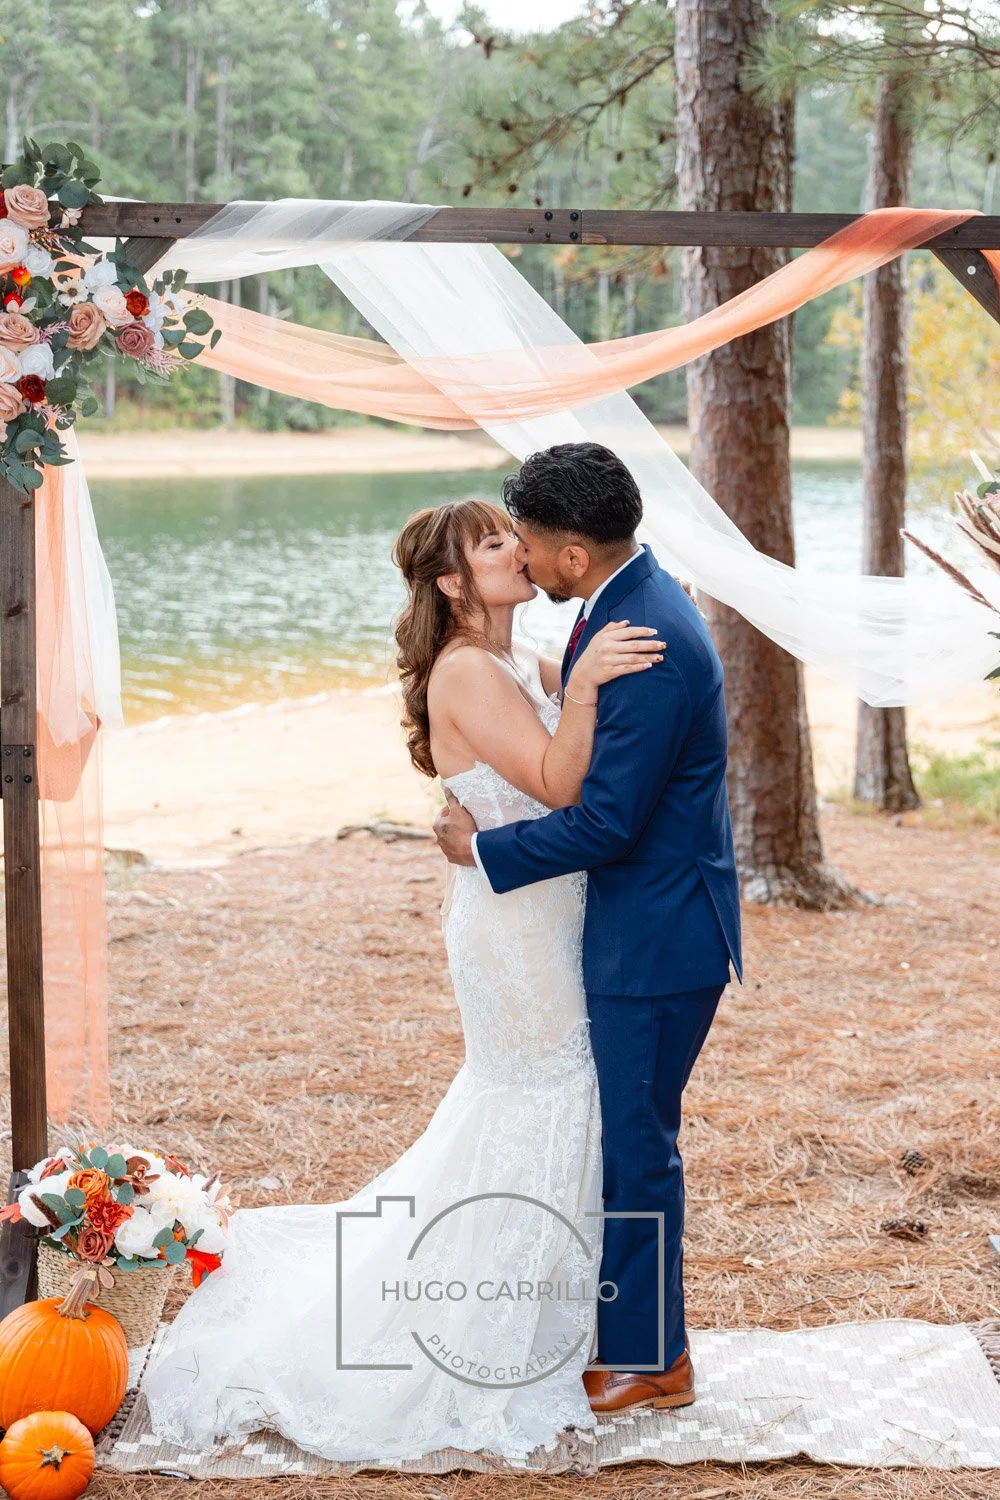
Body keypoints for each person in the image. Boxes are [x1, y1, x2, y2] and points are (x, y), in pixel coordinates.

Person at [142, 492, 661, 1463]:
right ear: (454, 583)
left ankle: (538, 1327)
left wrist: (588, 678)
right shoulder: (465, 672)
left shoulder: (516, 658)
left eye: (513, 534)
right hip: (513, 932)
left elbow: (585, 774)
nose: (518, 548)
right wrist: (584, 690)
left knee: (547, 1107)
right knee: (540, 1103)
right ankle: (476, 1336)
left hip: (546, 912)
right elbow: (556, 782)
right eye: (493, 541)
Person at [435, 442, 742, 1414]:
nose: (519, 555)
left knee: (637, 1145)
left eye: (525, 538)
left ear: (572, 554)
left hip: (653, 937)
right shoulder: (620, 608)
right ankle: (613, 1330)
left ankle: (654, 1357)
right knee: (618, 1134)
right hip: (633, 925)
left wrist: (482, 853)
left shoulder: (642, 639)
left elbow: (606, 820)